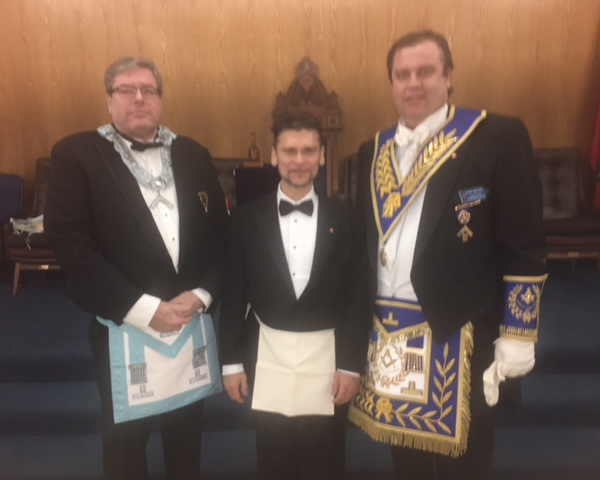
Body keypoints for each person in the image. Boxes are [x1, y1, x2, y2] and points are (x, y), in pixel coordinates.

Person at [348, 30, 548, 479]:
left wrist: (519, 332)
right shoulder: (371, 151)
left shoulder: (495, 136)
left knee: (466, 467)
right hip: (390, 334)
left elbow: (524, 243)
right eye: (402, 74)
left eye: (425, 71)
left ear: (449, 77)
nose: (413, 84)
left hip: (460, 331)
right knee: (407, 464)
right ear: (391, 83)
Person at [44, 56, 229, 480]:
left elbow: (222, 237)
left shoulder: (193, 153)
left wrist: (202, 294)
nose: (139, 98)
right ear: (109, 100)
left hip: (188, 323)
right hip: (124, 325)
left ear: (161, 100)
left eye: (149, 90)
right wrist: (145, 309)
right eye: (127, 90)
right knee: (125, 449)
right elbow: (71, 245)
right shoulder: (76, 154)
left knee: (187, 441)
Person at [219, 112, 372, 480]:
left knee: (326, 458)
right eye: (289, 151)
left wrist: (351, 364)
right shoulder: (244, 220)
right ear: (274, 155)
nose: (299, 160)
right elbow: (234, 292)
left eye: (308, 151)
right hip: (267, 353)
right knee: (273, 456)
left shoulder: (349, 220)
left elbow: (359, 295)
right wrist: (231, 363)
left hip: (329, 359)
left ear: (322, 155)